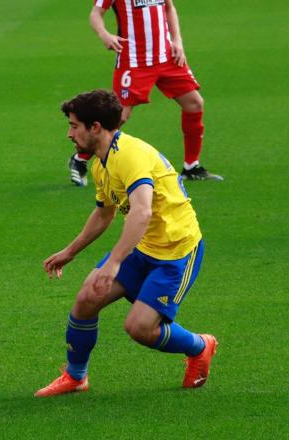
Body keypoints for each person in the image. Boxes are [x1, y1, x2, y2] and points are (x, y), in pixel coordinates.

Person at [36, 90, 217, 397]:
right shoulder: (100, 164)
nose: (69, 133)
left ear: (95, 127)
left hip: (176, 252)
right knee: (86, 300)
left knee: (139, 328)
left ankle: (201, 346)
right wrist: (71, 251)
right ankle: (76, 376)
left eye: (74, 125)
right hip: (141, 245)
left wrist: (114, 262)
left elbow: (143, 211)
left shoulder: (129, 156)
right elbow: (104, 214)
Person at [68, 0, 222, 186]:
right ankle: (80, 158)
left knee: (194, 103)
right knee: (118, 115)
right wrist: (104, 35)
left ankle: (191, 166)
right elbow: (96, 14)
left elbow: (169, 8)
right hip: (134, 61)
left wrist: (177, 41)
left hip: (167, 57)